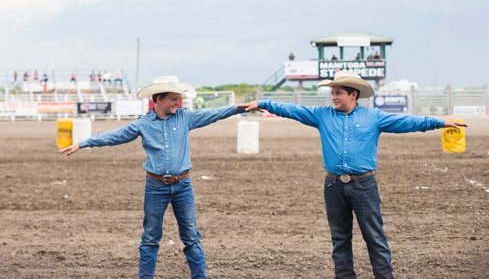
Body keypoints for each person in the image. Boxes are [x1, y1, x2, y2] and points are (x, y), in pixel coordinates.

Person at [240, 71, 466, 279]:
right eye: (332, 93)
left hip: (364, 184)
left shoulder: (374, 117)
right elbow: (292, 110)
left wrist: (441, 122)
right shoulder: (321, 115)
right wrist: (262, 103)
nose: (334, 97)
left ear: (353, 94)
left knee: (375, 238)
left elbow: (408, 122)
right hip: (333, 185)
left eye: (338, 93)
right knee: (340, 240)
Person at [59, 76, 244, 279]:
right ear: (159, 99)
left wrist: (239, 108)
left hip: (183, 185)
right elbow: (113, 136)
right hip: (155, 186)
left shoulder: (186, 118)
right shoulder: (143, 124)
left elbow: (214, 114)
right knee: (150, 237)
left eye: (179, 99)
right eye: (174, 99)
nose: (178, 103)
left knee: (191, 237)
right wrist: (83, 143)